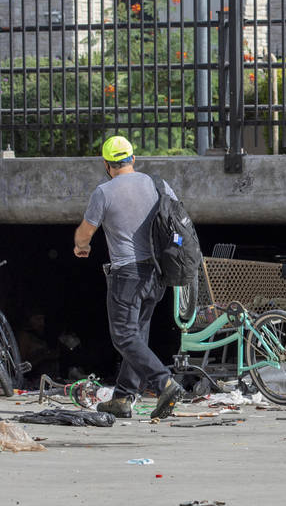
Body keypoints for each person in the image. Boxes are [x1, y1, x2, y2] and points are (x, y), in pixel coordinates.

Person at [73, 135, 183, 418]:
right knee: (138, 335)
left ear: (107, 165)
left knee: (123, 336)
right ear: (133, 159)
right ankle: (123, 398)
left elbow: (86, 232)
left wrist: (81, 247)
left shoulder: (104, 192)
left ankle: (165, 382)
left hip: (127, 275)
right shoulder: (158, 185)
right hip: (157, 274)